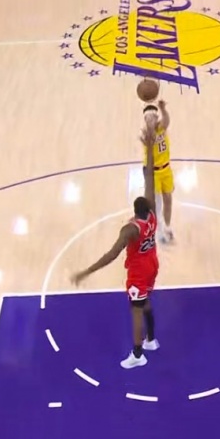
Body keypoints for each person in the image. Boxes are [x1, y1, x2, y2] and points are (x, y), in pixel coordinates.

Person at [72, 125, 160, 369]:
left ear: (134, 210)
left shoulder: (130, 229)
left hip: (139, 271)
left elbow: (111, 255)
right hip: (152, 264)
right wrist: (149, 148)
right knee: (145, 302)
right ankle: (152, 340)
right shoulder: (152, 213)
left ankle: (138, 354)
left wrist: (86, 272)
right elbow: (150, 177)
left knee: (136, 311)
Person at [143, 101, 175, 243]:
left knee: (168, 199)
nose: (150, 121)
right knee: (157, 205)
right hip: (153, 173)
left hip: (166, 169)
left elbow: (166, 120)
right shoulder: (147, 134)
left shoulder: (162, 127)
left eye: (152, 117)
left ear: (156, 118)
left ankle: (167, 227)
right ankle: (158, 232)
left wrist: (162, 109)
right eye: (147, 118)